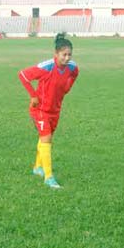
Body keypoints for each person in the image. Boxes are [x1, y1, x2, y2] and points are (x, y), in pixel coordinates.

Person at [18, 33, 79, 189]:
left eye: (69, 55)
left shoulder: (72, 67)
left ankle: (37, 167)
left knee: (45, 137)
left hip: (55, 109)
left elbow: (74, 74)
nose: (67, 58)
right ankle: (48, 177)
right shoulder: (46, 67)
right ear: (56, 54)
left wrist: (67, 87)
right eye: (63, 55)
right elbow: (23, 75)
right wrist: (33, 96)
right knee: (47, 138)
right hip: (40, 109)